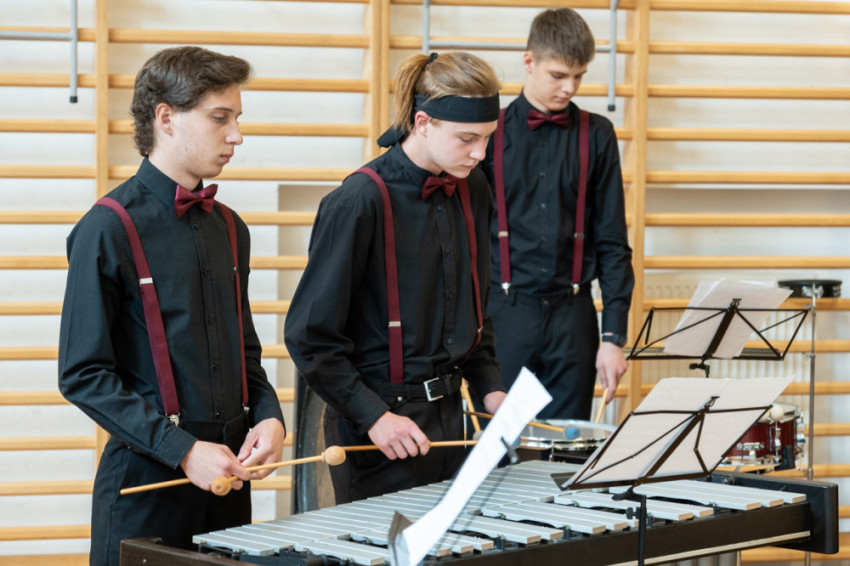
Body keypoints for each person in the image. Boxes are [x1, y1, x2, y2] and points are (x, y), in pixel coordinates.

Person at [58, 46, 286, 565]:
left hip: (228, 485)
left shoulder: (232, 228)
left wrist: (269, 417)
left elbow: (245, 355)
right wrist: (182, 450)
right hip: (146, 487)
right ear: (166, 118)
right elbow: (83, 375)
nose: (237, 135)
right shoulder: (106, 228)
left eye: (237, 118)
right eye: (220, 118)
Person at [285, 51, 507, 504]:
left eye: (487, 138)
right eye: (467, 138)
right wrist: (375, 417)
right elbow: (310, 337)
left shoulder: (474, 188)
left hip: (450, 422)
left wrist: (491, 390)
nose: (480, 153)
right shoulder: (358, 201)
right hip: (378, 431)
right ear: (422, 123)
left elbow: (473, 310)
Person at [480, 8, 634, 420]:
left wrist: (613, 336)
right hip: (505, 313)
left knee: (568, 446)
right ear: (529, 61)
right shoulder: (489, 132)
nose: (570, 88)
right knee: (502, 445)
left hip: (574, 315)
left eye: (579, 76)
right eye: (558, 75)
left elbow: (612, 242)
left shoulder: (598, 134)